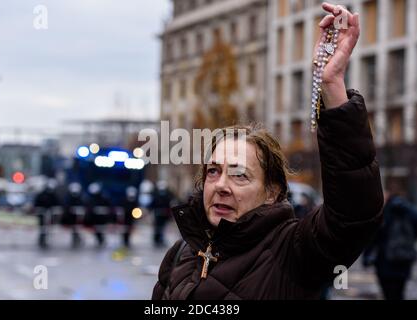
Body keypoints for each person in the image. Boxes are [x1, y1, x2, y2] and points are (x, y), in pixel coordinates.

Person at [152, 3, 384, 300]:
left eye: (239, 175)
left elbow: (355, 213)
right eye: (214, 171)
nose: (221, 185)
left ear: (272, 191)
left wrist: (331, 85)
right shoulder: (182, 252)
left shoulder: (292, 252)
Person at [363, 190, 417, 300]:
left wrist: (367, 257)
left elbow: (373, 238)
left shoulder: (384, 212)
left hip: (385, 263)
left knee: (389, 294)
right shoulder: (411, 212)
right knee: (399, 292)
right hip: (404, 261)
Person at [150, 180, 175, 248]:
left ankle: (160, 239)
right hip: (158, 213)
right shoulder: (156, 195)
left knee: (162, 227)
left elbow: (170, 202)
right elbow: (153, 203)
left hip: (164, 213)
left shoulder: (168, 195)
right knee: (158, 227)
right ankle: (157, 239)